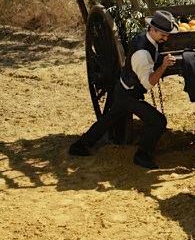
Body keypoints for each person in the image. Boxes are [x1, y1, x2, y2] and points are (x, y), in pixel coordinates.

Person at [69, 10, 178, 170]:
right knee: (158, 121)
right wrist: (163, 66)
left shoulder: (145, 38)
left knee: (110, 118)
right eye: (163, 34)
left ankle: (80, 146)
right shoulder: (142, 54)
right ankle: (142, 156)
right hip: (130, 94)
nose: (166, 38)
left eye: (167, 35)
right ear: (152, 29)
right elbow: (148, 83)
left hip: (124, 89)